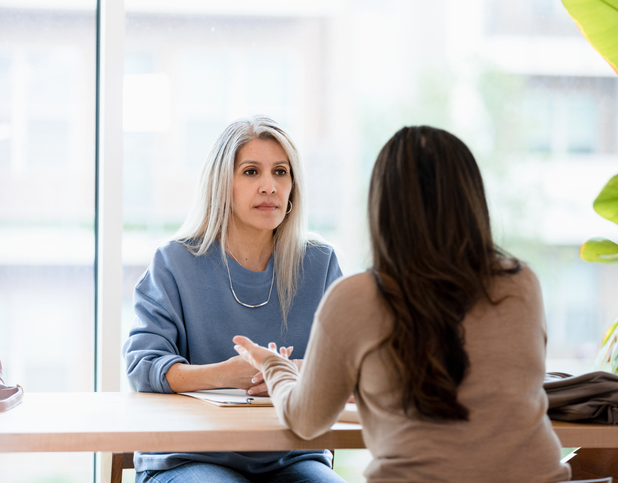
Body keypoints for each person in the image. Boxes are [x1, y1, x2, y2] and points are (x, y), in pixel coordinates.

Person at [234, 126, 572, 482]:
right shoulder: (522, 284)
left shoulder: (357, 297)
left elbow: (306, 421)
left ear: (384, 205)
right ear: (471, 199)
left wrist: (275, 366)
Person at [122, 115, 345, 482]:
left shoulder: (320, 264)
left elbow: (353, 367)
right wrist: (226, 375)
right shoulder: (175, 262)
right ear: (222, 184)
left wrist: (295, 372)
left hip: (292, 456)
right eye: (251, 172)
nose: (270, 186)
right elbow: (143, 366)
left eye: (281, 172)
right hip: (189, 456)